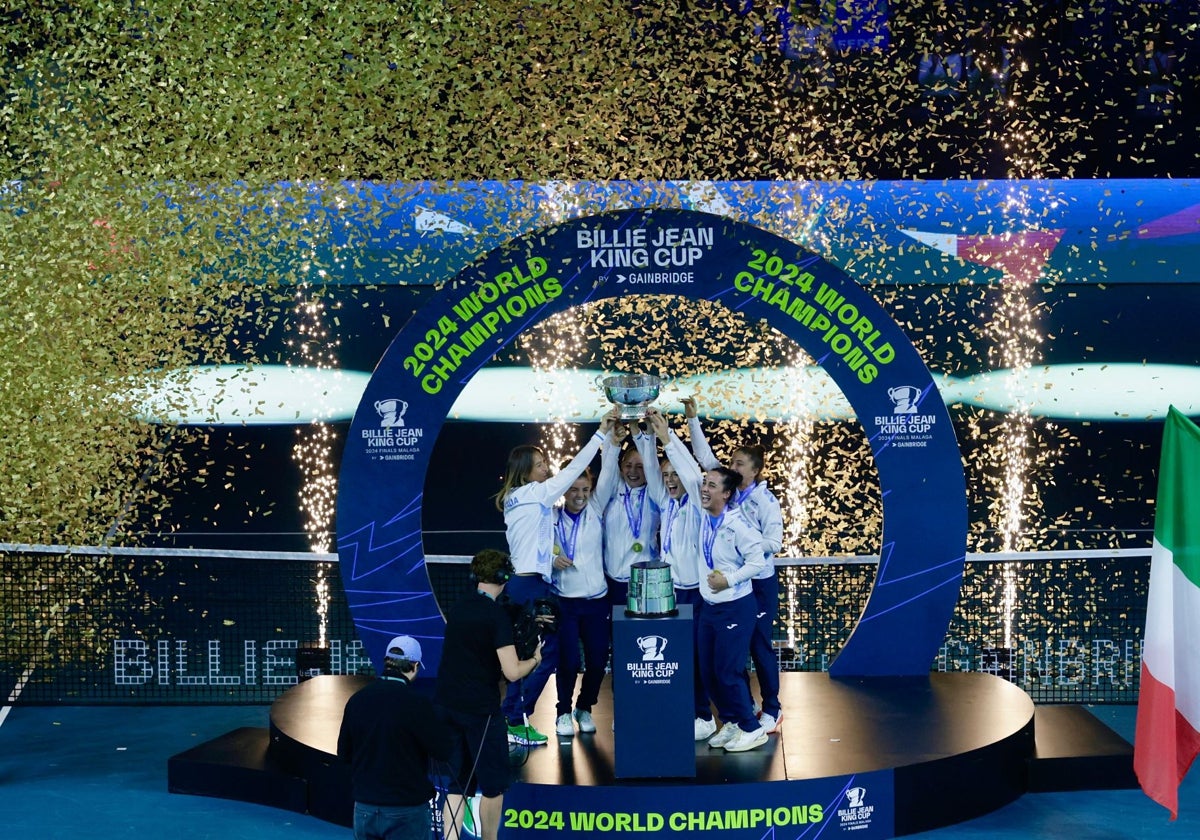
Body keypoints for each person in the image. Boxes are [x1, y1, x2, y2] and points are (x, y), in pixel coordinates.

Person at [494, 411, 617, 746]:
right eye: (540, 465)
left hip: (525, 584)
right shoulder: (535, 494)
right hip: (531, 586)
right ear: (526, 472)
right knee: (545, 656)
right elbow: (574, 470)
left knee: (529, 655)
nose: (546, 469)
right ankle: (515, 717)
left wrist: (548, 557)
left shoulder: (517, 498)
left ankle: (513, 717)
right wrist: (601, 434)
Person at [655, 410, 768, 752]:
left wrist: (729, 579)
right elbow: (691, 472)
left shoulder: (739, 525)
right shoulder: (705, 515)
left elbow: (757, 561)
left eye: (712, 486)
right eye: (705, 484)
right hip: (710, 609)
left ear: (727, 494)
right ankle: (731, 722)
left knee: (728, 671)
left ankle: (751, 726)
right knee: (708, 671)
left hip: (735, 606)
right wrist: (667, 437)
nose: (703, 489)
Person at [685, 398, 786, 735]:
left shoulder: (765, 503)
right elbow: (703, 456)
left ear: (754, 471)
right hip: (727, 585)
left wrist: (745, 544)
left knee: (758, 645)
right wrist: (693, 419)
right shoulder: (723, 492)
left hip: (757, 583)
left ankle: (772, 707)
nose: (732, 466)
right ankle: (744, 709)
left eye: (739, 463)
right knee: (731, 653)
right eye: (731, 462)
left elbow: (774, 545)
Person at [435, 549, 543, 840]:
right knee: (493, 785)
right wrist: (535, 659)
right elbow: (511, 672)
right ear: (504, 578)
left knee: (458, 783)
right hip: (480, 712)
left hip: (447, 706)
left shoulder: (457, 609)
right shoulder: (496, 617)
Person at [639, 411, 715, 741]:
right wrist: (646, 438)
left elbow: (690, 471)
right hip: (670, 594)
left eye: (675, 476)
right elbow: (655, 474)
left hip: (696, 594)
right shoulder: (666, 503)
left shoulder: (698, 502)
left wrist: (669, 439)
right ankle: (690, 712)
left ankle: (705, 716)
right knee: (677, 658)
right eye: (666, 475)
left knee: (699, 658)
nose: (669, 479)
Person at [337, 634, 452, 840]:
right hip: (406, 810)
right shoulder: (417, 704)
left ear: (386, 662)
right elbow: (443, 750)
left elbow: (343, 753)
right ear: (415, 666)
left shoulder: (357, 700)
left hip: (365, 808)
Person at [550, 464, 612, 737]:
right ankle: (563, 712)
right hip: (564, 602)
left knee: (598, 661)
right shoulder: (549, 517)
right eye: (573, 489)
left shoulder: (597, 511)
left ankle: (584, 707)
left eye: (585, 489)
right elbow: (536, 551)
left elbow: (609, 470)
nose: (580, 495)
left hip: (596, 601)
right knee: (569, 662)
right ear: (563, 489)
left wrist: (609, 439)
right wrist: (552, 560)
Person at [597, 422, 661, 608]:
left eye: (640, 467)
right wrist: (612, 436)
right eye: (628, 465)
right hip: (612, 579)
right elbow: (607, 462)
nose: (633, 471)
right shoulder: (613, 488)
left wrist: (643, 434)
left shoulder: (655, 493)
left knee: (640, 634)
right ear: (621, 466)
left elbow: (652, 464)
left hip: (646, 580)